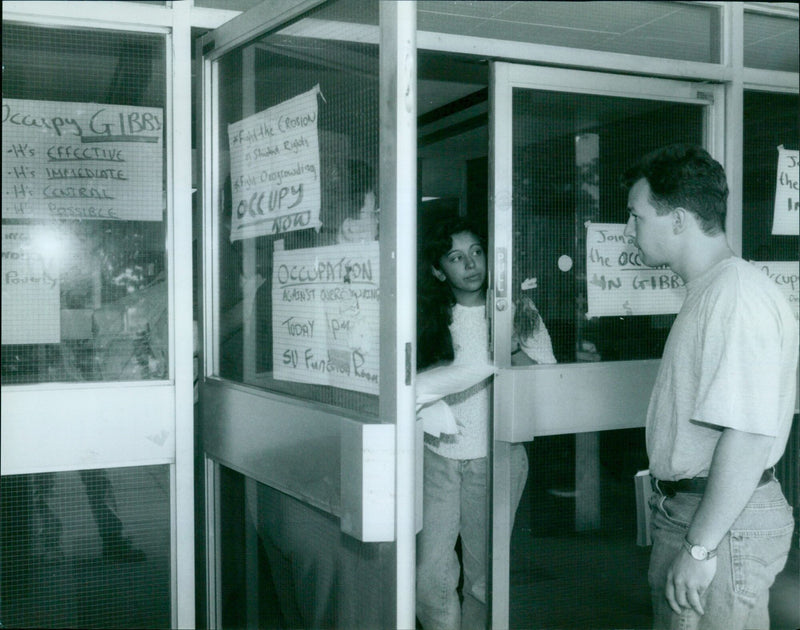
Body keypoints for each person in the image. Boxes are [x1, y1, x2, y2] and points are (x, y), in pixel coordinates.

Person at [622, 144, 798, 630]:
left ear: (678, 219)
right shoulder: (712, 290)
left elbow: (748, 435)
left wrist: (700, 547)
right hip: (701, 515)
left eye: (636, 216)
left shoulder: (736, 296)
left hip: (722, 523)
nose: (629, 229)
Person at [415, 216, 556, 630]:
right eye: (456, 257)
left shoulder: (516, 309)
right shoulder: (427, 317)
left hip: (497, 458)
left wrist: (511, 347)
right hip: (437, 458)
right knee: (428, 575)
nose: (471, 263)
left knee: (484, 578)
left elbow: (547, 377)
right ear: (439, 270)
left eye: (476, 252)